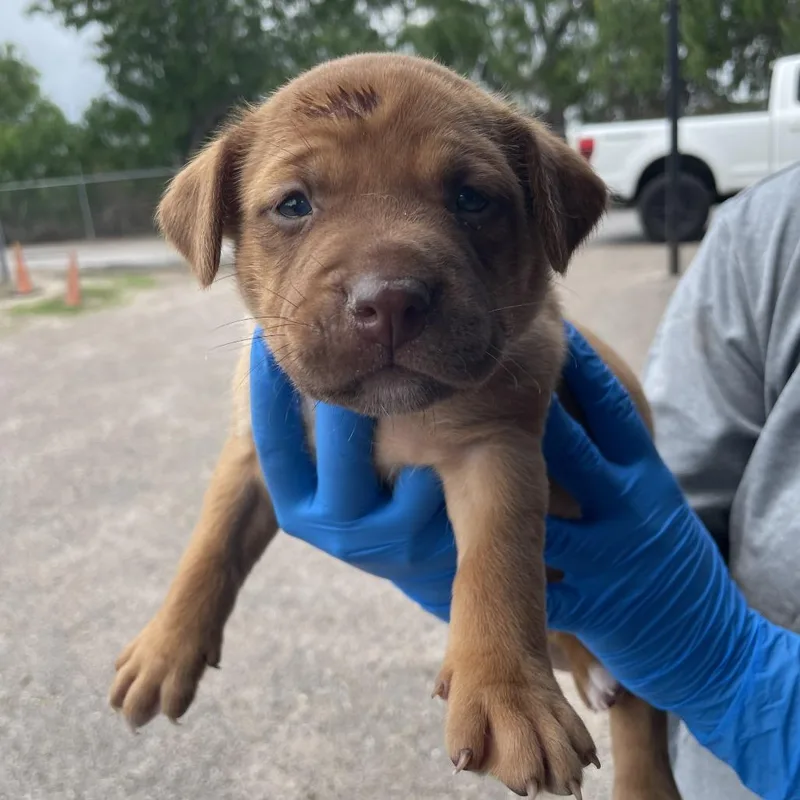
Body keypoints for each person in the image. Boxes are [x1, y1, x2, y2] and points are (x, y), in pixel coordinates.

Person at [248, 163, 800, 800]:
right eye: (294, 205)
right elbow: (680, 489)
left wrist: (729, 663)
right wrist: (559, 621)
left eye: (469, 198)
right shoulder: (768, 229)